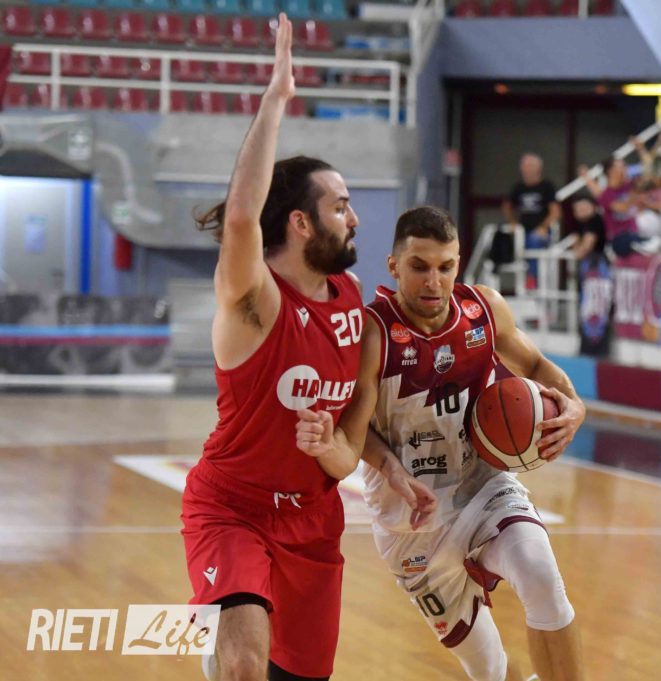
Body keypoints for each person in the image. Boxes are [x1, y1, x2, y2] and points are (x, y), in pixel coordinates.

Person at [183, 14, 369, 681]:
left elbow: (359, 421)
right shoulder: (255, 302)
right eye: (340, 206)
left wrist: (371, 462)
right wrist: (275, 100)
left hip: (314, 520)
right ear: (300, 222)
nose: (354, 218)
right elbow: (240, 218)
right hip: (234, 507)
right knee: (245, 665)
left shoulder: (351, 298)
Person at [338, 206, 587, 681]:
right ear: (394, 267)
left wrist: (574, 405)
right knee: (489, 669)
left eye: (446, 266)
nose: (434, 281)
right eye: (419, 266)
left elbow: (536, 366)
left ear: (458, 262)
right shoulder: (374, 333)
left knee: (539, 574)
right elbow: (354, 429)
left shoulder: (484, 309)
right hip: (412, 522)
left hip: (483, 487)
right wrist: (392, 469)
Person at [502, 153, 560, 287]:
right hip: (522, 232)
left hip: (542, 233)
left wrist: (543, 227)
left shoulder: (547, 186)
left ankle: (532, 278)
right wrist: (512, 222)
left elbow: (555, 212)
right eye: (525, 166)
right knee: (504, 239)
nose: (527, 169)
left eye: (531, 166)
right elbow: (507, 206)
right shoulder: (518, 187)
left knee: (534, 239)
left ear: (539, 168)